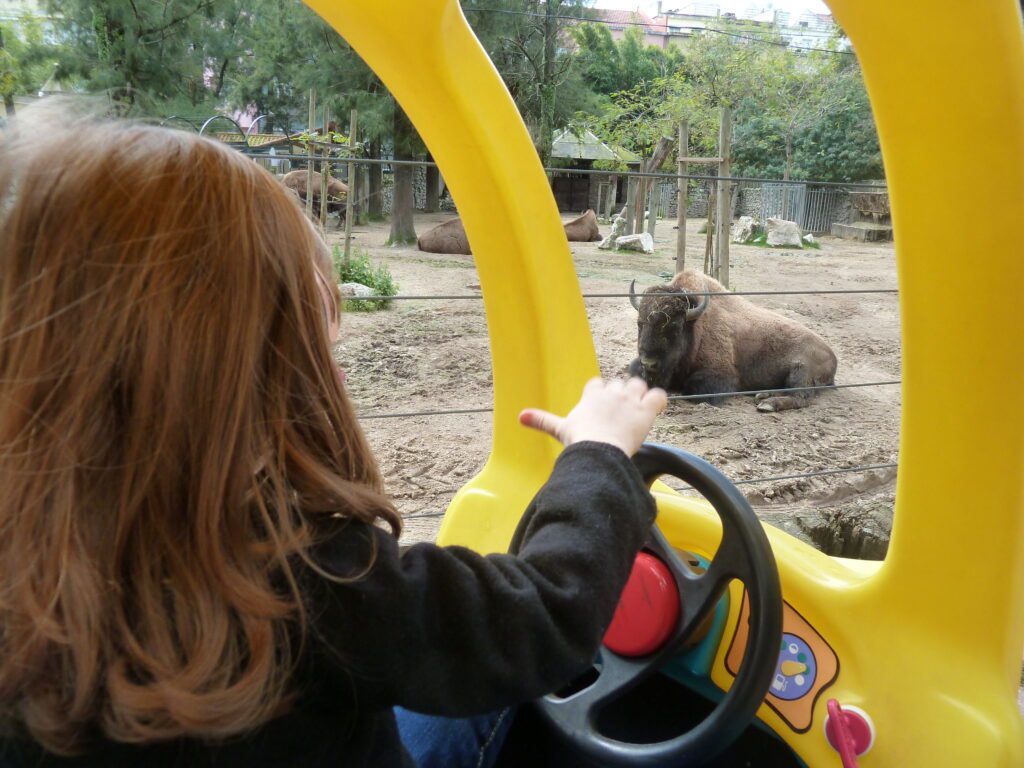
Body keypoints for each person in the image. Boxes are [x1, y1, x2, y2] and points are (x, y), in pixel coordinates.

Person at [0, 115, 667, 767]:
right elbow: (545, 618)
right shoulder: (307, 577)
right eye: (307, 338)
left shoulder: (29, 564)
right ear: (243, 367)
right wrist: (599, 457)